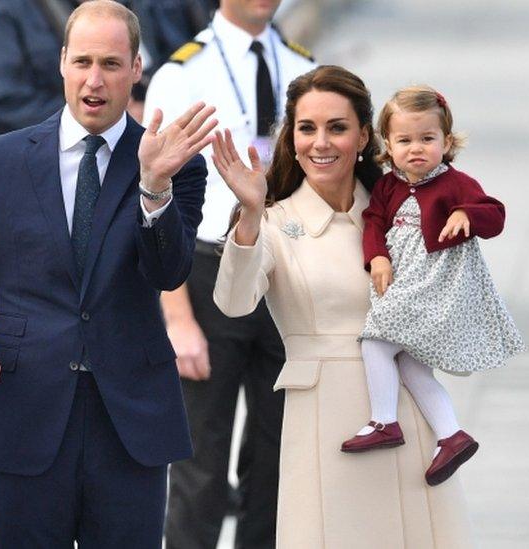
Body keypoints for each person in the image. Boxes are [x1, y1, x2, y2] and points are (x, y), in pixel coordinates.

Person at [0, 1, 217, 546]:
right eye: (82, 62)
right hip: (24, 419)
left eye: (110, 63)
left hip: (132, 426)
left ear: (137, 68)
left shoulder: (175, 164)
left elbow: (168, 272)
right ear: (62, 63)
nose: (94, 80)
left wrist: (153, 186)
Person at [211, 66, 473, 547]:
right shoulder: (273, 221)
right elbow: (232, 302)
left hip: (406, 413)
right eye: (306, 128)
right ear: (290, 139)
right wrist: (249, 215)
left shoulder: (400, 212)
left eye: (337, 127)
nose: (320, 143)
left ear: (364, 137)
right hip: (327, 421)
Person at [143, 0, 313, 545]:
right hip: (207, 271)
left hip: (287, 272)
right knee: (200, 466)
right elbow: (155, 201)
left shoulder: (308, 66)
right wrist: (176, 318)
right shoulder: (181, 73)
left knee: (276, 459)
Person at [339, 86, 525, 486]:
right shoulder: (388, 187)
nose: (416, 149)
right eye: (404, 140)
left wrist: (466, 213)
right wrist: (378, 257)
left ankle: (384, 421)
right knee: (409, 363)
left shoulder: (456, 183)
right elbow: (373, 221)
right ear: (388, 145)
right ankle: (451, 435)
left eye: (428, 139)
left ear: (447, 141)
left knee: (375, 341)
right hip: (403, 279)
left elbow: (494, 214)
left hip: (434, 288)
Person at [0, 0, 209, 134]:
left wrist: (157, 110)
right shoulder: (12, 11)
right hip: (64, 165)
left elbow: (192, 62)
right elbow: (0, 102)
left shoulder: (155, 6)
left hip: (161, 144)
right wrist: (104, 119)